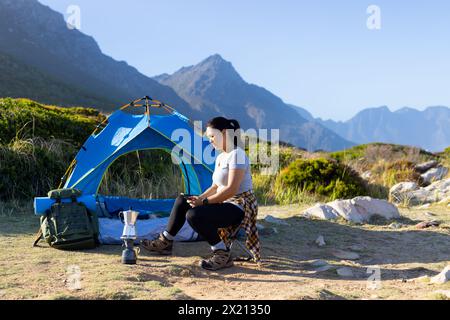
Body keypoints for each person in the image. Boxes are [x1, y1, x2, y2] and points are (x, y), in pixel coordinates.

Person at [141, 117, 260, 270]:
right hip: (224, 202)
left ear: (224, 133)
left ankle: (222, 254)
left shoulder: (237, 155)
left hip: (239, 206)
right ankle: (165, 242)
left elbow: (231, 189)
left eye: (212, 136)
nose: (210, 140)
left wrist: (203, 203)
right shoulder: (221, 156)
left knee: (194, 215)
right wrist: (199, 198)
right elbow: (215, 186)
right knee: (182, 200)